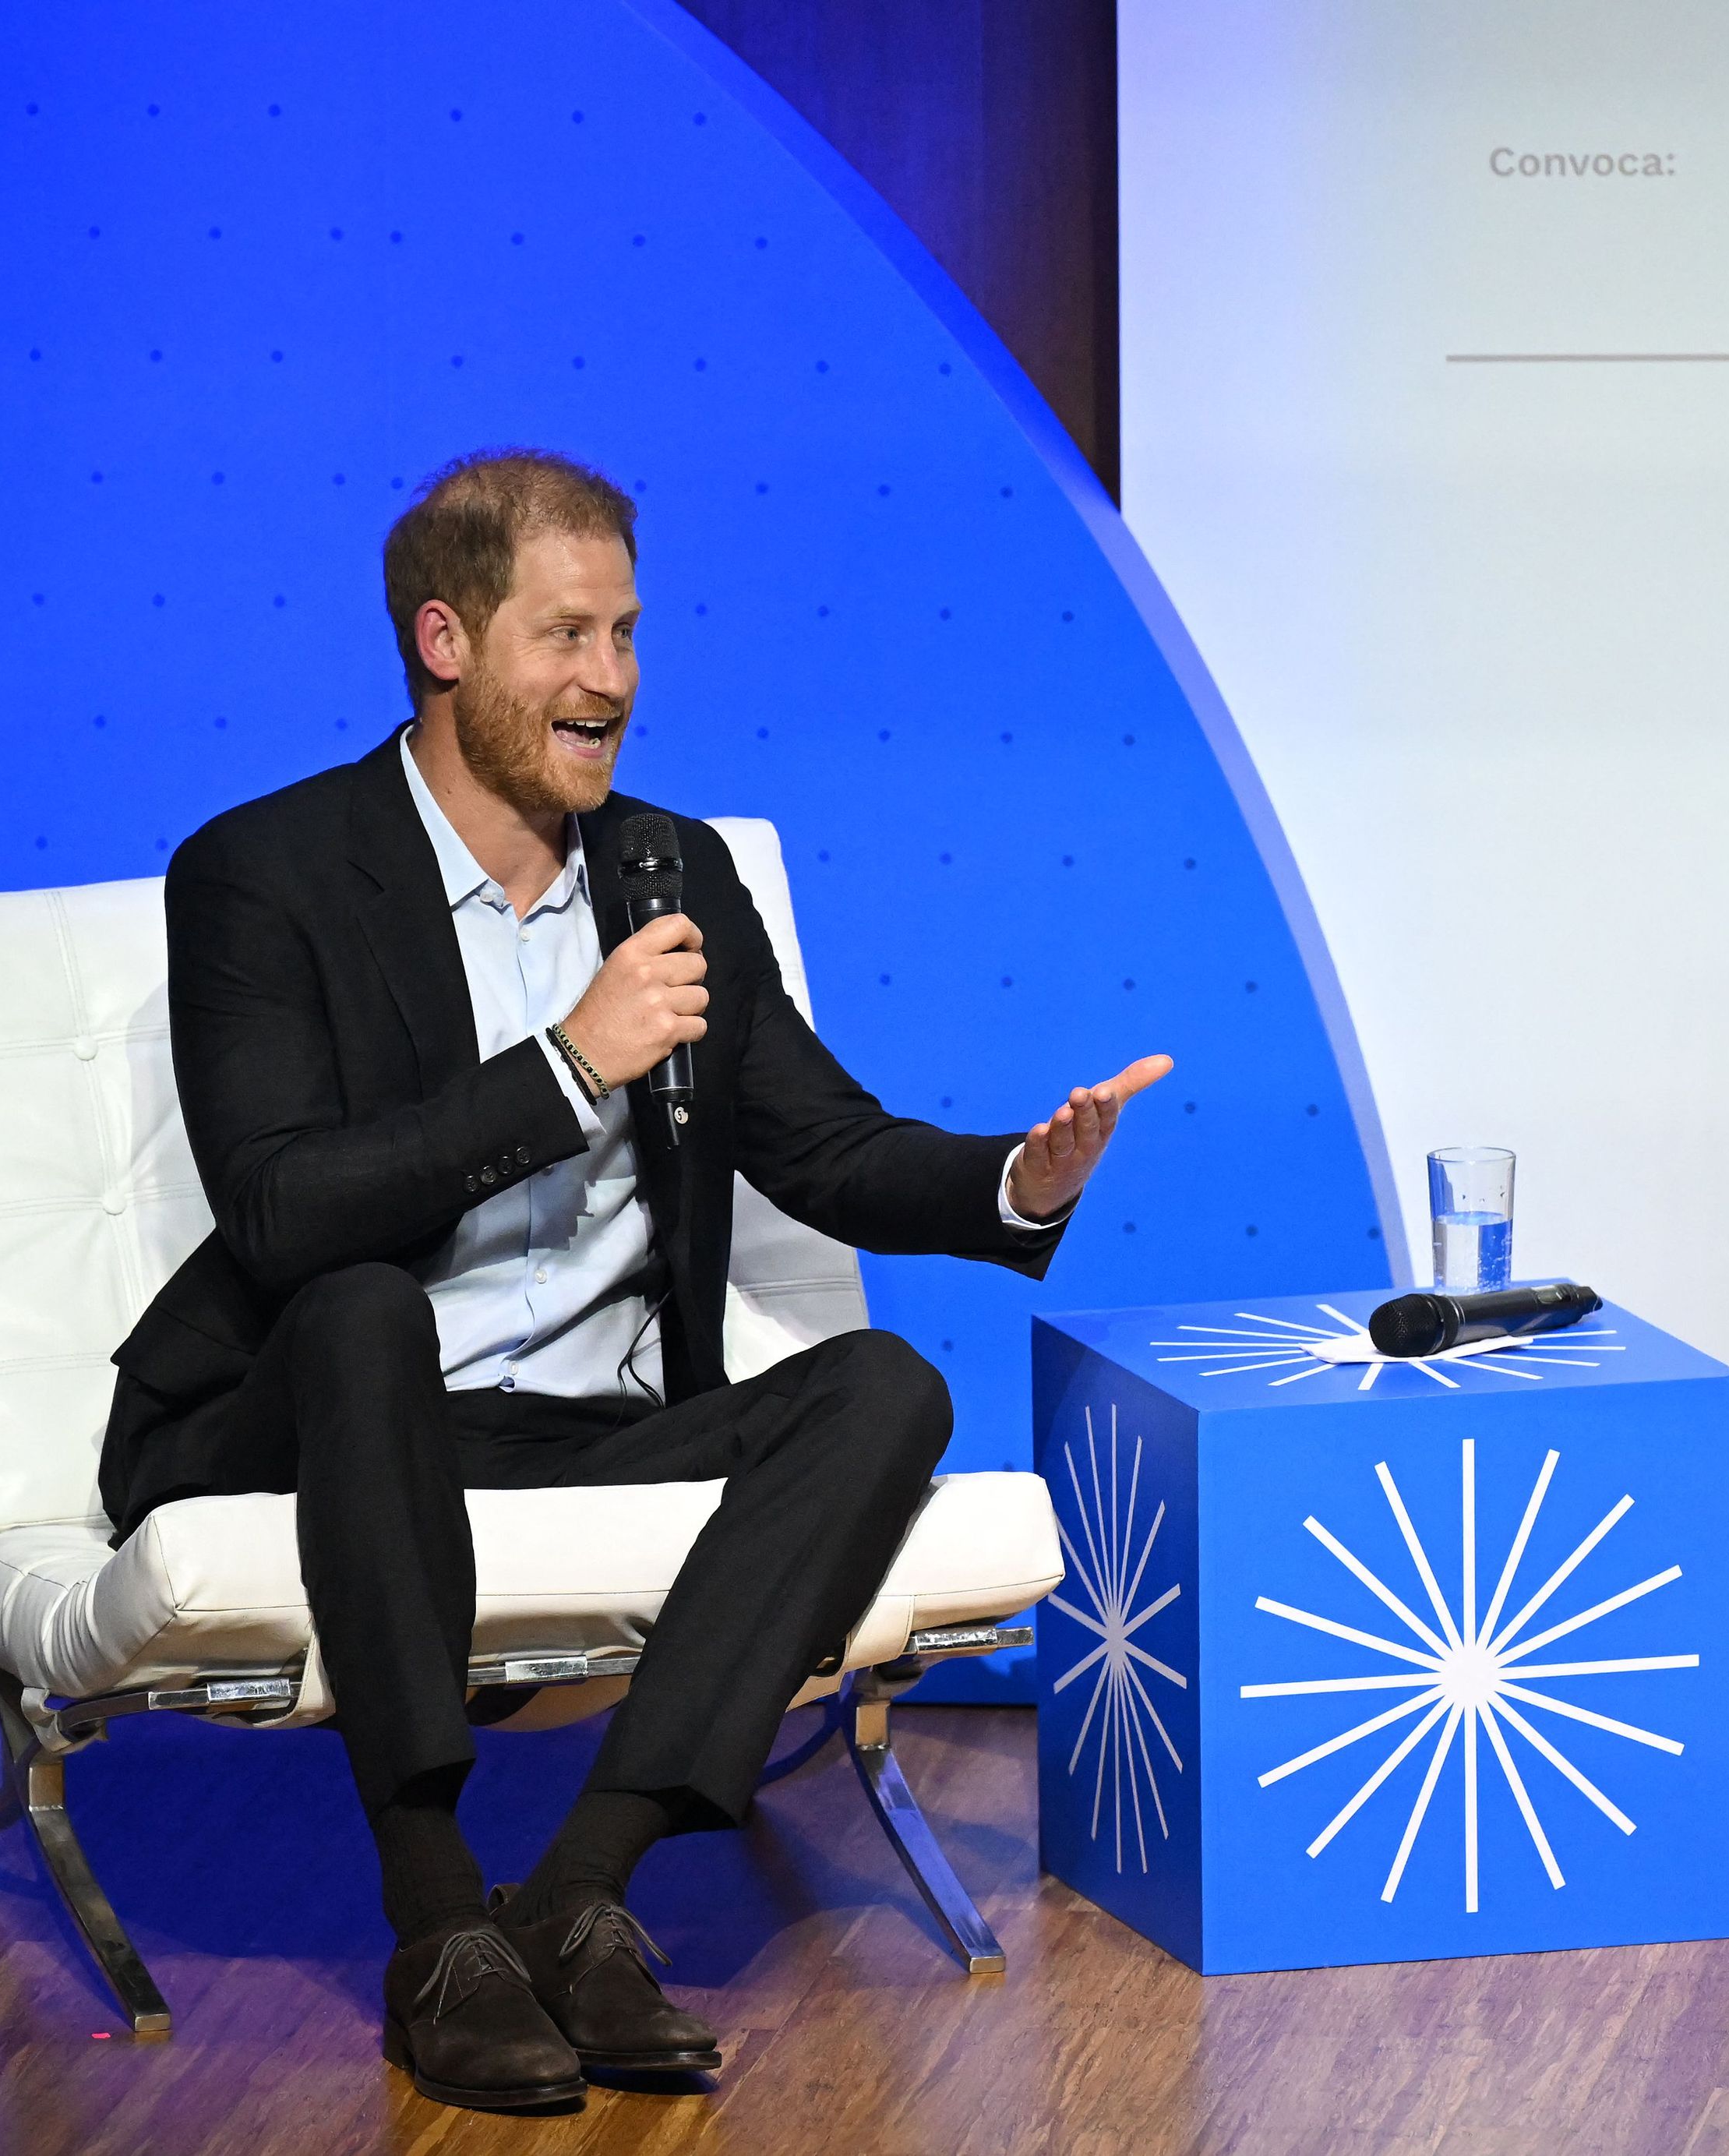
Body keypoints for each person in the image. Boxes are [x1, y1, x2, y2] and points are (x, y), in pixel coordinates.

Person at [98, 449, 1173, 2112]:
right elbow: (282, 1208)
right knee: (365, 1307)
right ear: (446, 641)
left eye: (628, 634)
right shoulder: (267, 871)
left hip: (569, 1419)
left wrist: (1014, 1178)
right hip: (313, 1411)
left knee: (888, 1389)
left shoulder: (669, 870)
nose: (612, 679)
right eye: (568, 635)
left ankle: (587, 1886)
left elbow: (821, 1144)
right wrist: (565, 1068)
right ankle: (439, 1923)